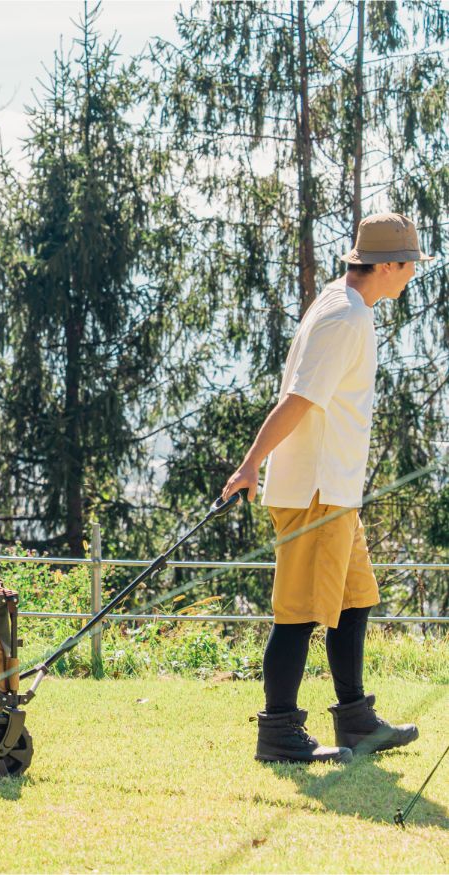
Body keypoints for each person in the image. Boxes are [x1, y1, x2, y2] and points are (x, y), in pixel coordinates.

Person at [222, 213, 427, 764]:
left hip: (336, 489)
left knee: (355, 599)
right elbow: (300, 399)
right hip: (316, 490)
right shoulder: (346, 317)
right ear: (388, 266)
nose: (411, 275)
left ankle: (357, 720)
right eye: (409, 266)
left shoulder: (344, 303)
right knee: (298, 612)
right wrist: (250, 465)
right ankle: (279, 732)